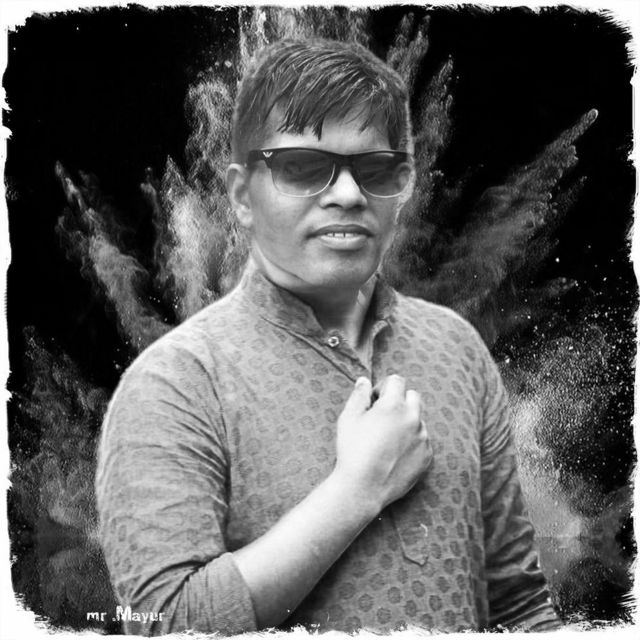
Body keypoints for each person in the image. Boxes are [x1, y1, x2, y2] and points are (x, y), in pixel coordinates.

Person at [95, 38, 561, 636]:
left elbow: (520, 607)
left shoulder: (459, 350)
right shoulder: (175, 384)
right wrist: (355, 491)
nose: (347, 193)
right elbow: (165, 622)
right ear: (242, 195)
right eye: (302, 167)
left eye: (376, 169)